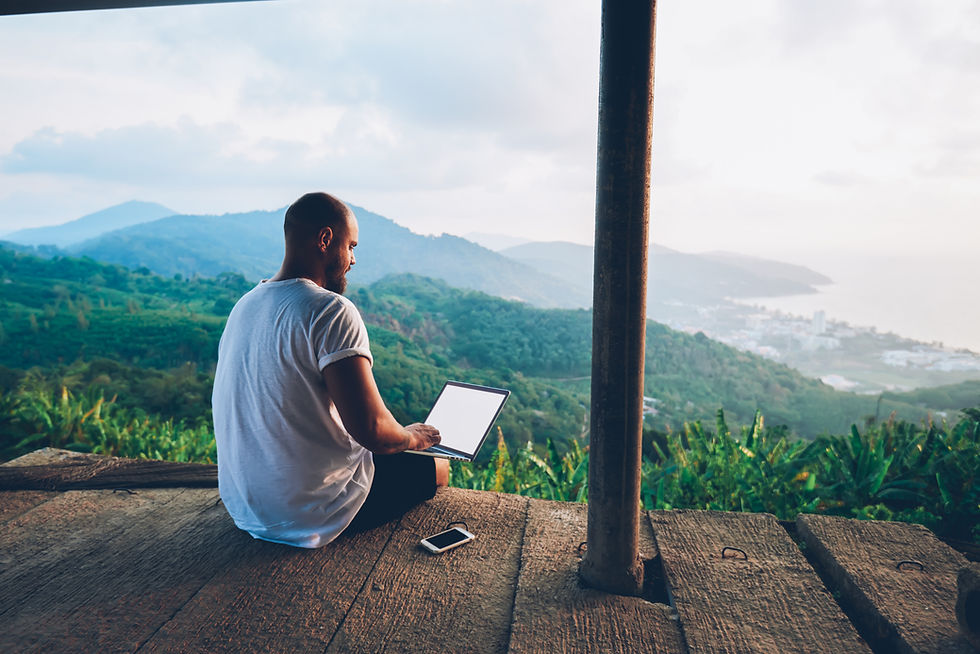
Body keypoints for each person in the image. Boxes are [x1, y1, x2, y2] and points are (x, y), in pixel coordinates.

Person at [212, 192, 449, 548]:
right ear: (325, 240)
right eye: (351, 246)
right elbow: (372, 430)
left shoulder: (245, 305)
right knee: (438, 468)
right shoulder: (331, 310)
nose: (353, 260)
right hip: (308, 514)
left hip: (245, 508)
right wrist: (414, 437)